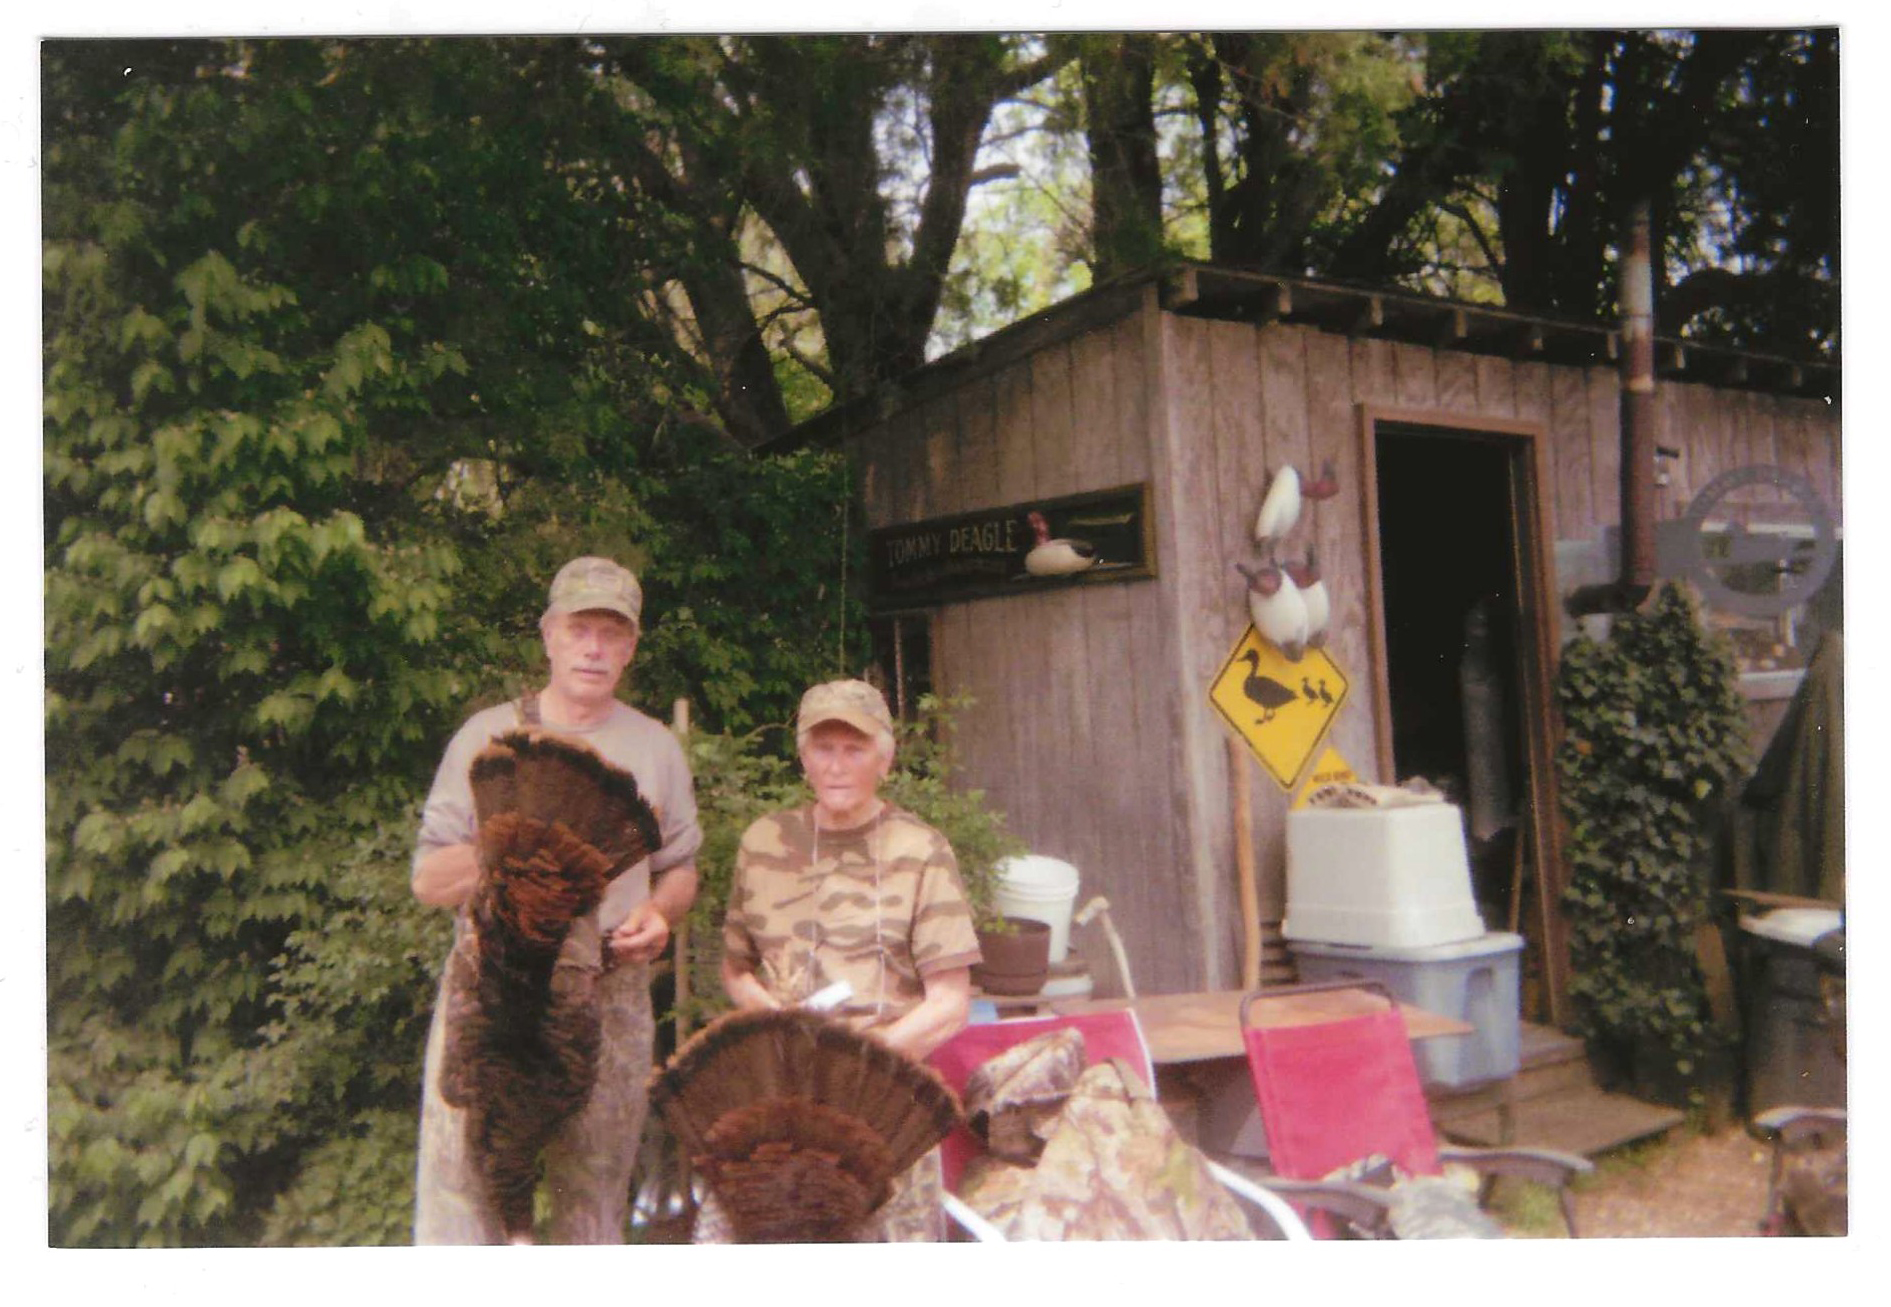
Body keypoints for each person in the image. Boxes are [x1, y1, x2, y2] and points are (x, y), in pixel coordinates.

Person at [409, 555, 702, 1244]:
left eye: (612, 633)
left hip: (608, 989)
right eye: (579, 629)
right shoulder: (483, 736)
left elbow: (682, 868)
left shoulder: (655, 747)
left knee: (593, 1196)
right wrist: (511, 851)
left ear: (631, 648)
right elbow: (426, 880)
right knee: (462, 1191)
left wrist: (660, 914)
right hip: (491, 994)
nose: (594, 648)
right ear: (549, 636)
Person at [705, 678, 982, 1241]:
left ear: (885, 759)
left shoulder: (920, 850)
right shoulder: (763, 842)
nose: (837, 766)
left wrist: (854, 1063)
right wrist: (772, 1025)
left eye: (854, 750)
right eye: (823, 749)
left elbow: (950, 1004)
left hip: (883, 1095)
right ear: (803, 757)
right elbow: (736, 970)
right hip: (778, 1093)